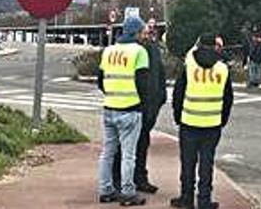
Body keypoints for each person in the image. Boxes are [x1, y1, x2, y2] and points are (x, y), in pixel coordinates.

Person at [171, 33, 234, 209]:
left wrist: (178, 116)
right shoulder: (222, 69)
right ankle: (204, 200)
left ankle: (186, 199)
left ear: (198, 45)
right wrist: (222, 120)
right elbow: (228, 98)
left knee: (188, 163)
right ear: (215, 46)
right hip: (212, 124)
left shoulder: (189, 66)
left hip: (189, 122)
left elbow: (179, 93)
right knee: (207, 164)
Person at [97, 16, 149, 206]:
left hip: (109, 107)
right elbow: (143, 82)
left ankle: (106, 190)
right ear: (136, 32)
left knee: (108, 152)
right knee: (129, 154)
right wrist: (142, 104)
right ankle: (128, 192)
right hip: (130, 108)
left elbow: (100, 81)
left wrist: (112, 93)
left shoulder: (108, 51)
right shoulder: (139, 51)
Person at [131, 22, 168, 195]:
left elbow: (160, 73)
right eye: (144, 32)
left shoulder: (153, 49)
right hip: (131, 105)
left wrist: (160, 97)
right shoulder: (131, 49)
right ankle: (123, 180)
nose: (147, 35)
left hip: (148, 107)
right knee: (126, 146)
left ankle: (139, 178)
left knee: (142, 143)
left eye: (149, 32)